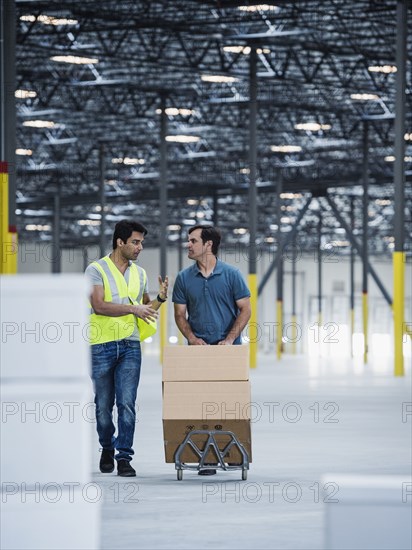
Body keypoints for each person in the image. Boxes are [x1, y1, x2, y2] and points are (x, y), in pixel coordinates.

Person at [86, 220, 168, 477]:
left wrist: (160, 300)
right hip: (101, 344)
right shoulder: (96, 269)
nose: (140, 247)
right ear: (119, 242)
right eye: (135, 241)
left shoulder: (140, 274)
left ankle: (124, 457)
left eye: (141, 242)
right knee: (102, 406)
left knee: (127, 403)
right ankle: (107, 447)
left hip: (130, 345)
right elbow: (99, 306)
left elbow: (146, 311)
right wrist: (134, 309)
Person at [172, 224, 251, 475]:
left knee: (231, 406)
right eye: (189, 240)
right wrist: (193, 339)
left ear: (208, 245)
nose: (188, 244)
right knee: (200, 407)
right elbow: (179, 314)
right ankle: (205, 457)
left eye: (193, 240)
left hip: (229, 353)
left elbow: (245, 310)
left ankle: (234, 454)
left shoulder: (231, 275)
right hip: (197, 353)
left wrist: (229, 340)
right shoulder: (184, 278)